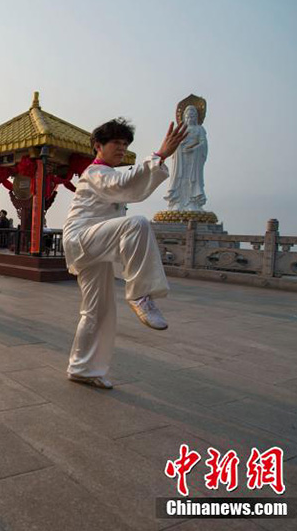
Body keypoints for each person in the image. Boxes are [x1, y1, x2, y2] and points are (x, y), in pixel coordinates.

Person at [63, 118, 187, 390]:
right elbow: (125, 183)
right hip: (82, 239)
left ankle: (82, 368)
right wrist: (160, 155)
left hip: (95, 246)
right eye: (116, 143)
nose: (121, 148)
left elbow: (129, 187)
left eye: (125, 143)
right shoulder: (96, 173)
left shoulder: (109, 175)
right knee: (138, 223)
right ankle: (141, 293)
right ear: (98, 146)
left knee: (98, 311)